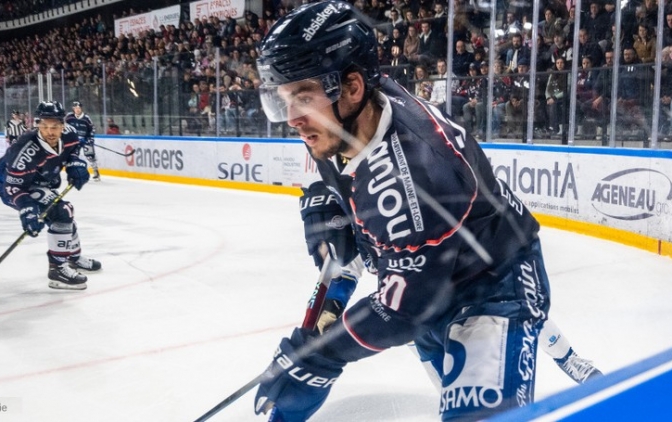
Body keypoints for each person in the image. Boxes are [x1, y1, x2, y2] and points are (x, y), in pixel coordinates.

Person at [252, 2, 597, 421]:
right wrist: (335, 218)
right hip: (432, 278)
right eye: (284, 99)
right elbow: (368, 218)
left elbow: (402, 311)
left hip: (491, 288)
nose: (291, 118)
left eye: (302, 96)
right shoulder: (344, 120)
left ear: (353, 87)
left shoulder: (416, 173)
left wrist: (321, 357)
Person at [0, 101, 101, 290]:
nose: (49, 132)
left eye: (54, 127)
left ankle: (72, 258)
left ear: (63, 125)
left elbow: (73, 151)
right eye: (44, 126)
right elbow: (13, 188)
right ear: (37, 124)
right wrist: (27, 209)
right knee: (62, 212)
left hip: (42, 180)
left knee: (64, 217)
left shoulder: (69, 133)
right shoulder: (25, 149)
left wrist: (75, 165)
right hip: (15, 186)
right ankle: (57, 270)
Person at [65, 101, 100, 181]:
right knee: (73, 156)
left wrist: (90, 139)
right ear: (73, 108)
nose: (77, 109)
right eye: (75, 108)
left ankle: (96, 172)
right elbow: (64, 127)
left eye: (79, 108)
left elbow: (92, 129)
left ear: (81, 108)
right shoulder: (69, 117)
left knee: (90, 156)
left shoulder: (86, 118)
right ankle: (74, 173)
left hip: (85, 140)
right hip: (74, 141)